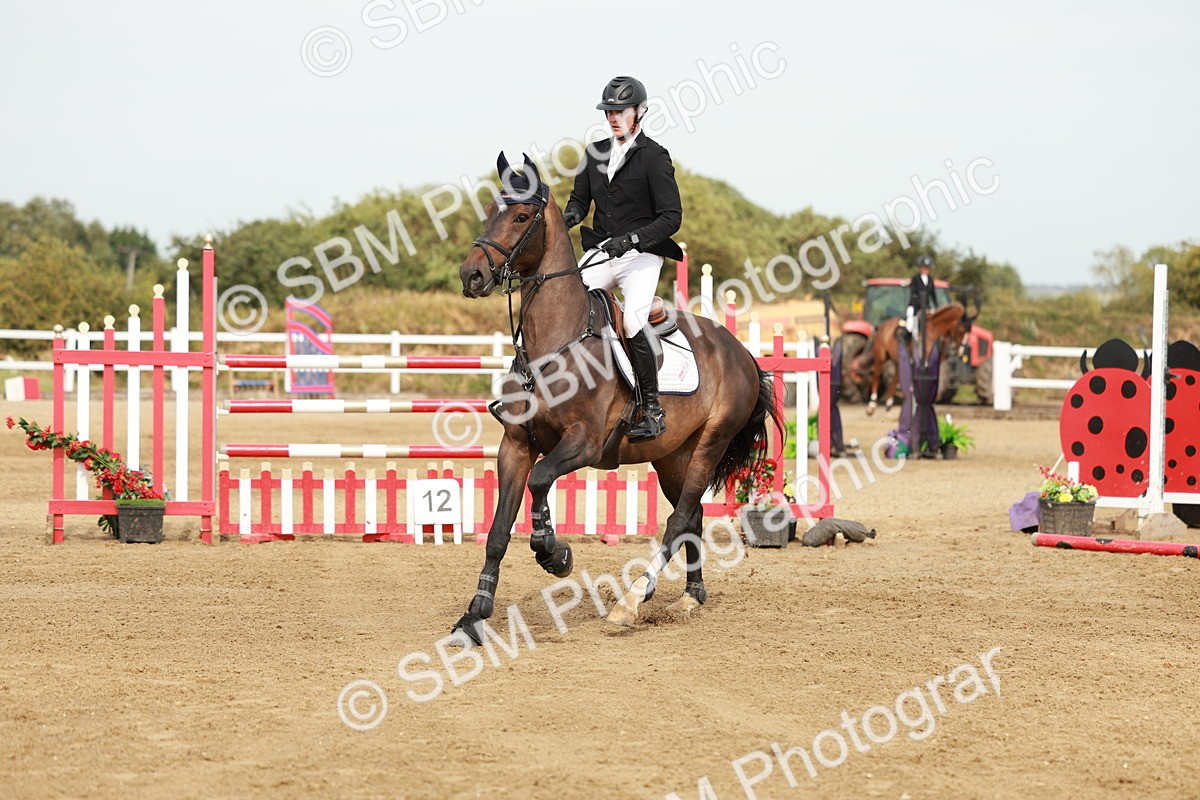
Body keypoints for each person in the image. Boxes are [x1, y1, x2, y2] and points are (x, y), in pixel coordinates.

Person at [562, 76, 684, 441]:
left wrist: (632, 239)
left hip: (641, 257)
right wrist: (565, 218)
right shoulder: (594, 153)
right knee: (560, 302)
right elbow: (579, 203)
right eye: (609, 111)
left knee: (632, 321)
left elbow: (671, 216)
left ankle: (652, 409)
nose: (613, 117)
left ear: (639, 113)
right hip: (601, 252)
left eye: (620, 111)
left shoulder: (654, 156)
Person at [904, 255, 939, 335]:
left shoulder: (930, 279)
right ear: (920, 268)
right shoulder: (915, 279)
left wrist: (936, 307)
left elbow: (933, 295)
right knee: (910, 326)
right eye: (924, 268)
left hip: (926, 307)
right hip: (915, 307)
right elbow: (914, 293)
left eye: (927, 268)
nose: (926, 270)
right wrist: (921, 306)